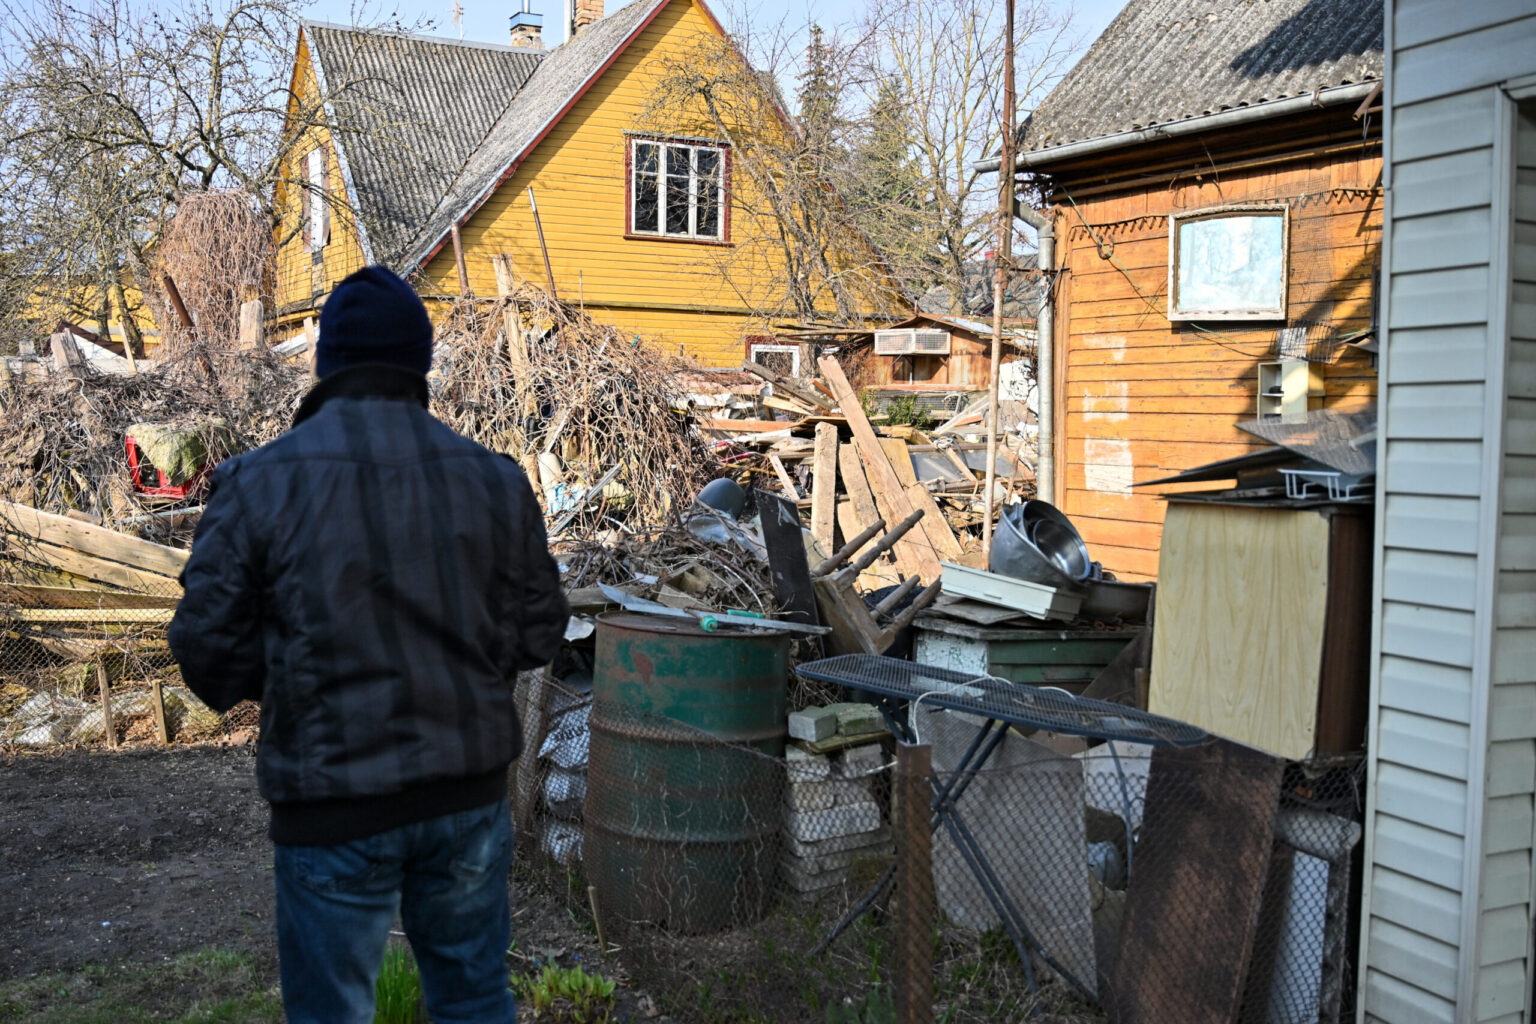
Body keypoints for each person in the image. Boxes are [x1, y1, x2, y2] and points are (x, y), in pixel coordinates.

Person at [168, 265, 568, 1024]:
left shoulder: (259, 482)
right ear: (418, 362)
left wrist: (291, 679)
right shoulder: (495, 480)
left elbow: (206, 648)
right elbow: (540, 630)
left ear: (327, 362)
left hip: (332, 802)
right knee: (476, 999)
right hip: (465, 795)